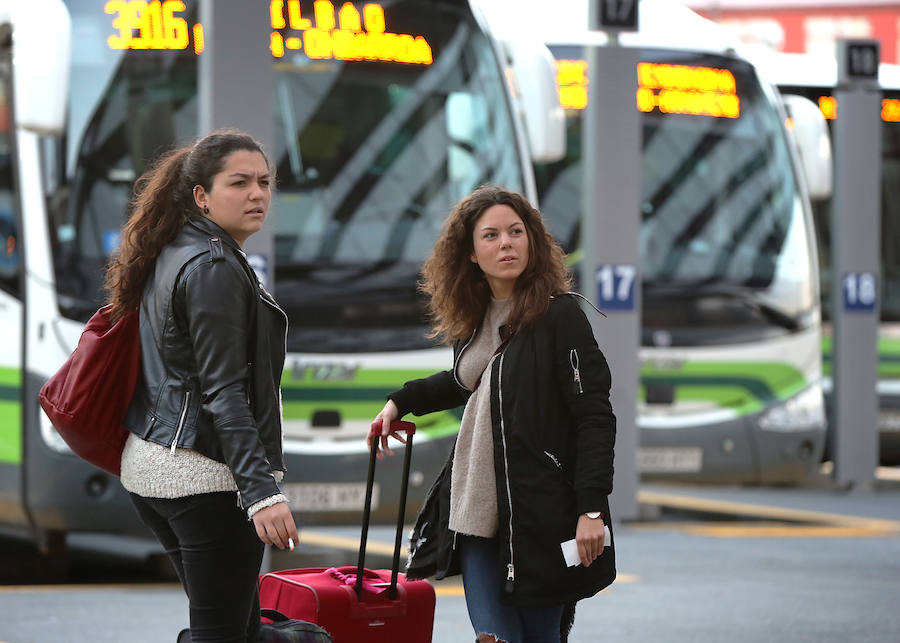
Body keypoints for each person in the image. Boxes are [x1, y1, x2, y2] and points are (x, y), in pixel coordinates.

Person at [369, 185, 617, 643]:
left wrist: (592, 508)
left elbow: (595, 417)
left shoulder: (559, 316)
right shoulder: (475, 319)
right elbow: (465, 381)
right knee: (493, 637)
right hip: (476, 515)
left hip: (542, 517)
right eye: (491, 235)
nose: (506, 243)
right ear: (470, 253)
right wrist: (400, 401)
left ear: (532, 240)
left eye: (516, 232)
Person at [104, 130, 298, 642]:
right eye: (239, 182)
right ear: (201, 195)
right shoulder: (214, 267)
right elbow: (224, 392)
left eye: (264, 182)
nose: (257, 194)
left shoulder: (177, 248)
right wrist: (261, 493)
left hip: (154, 463)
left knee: (241, 630)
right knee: (223, 633)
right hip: (203, 477)